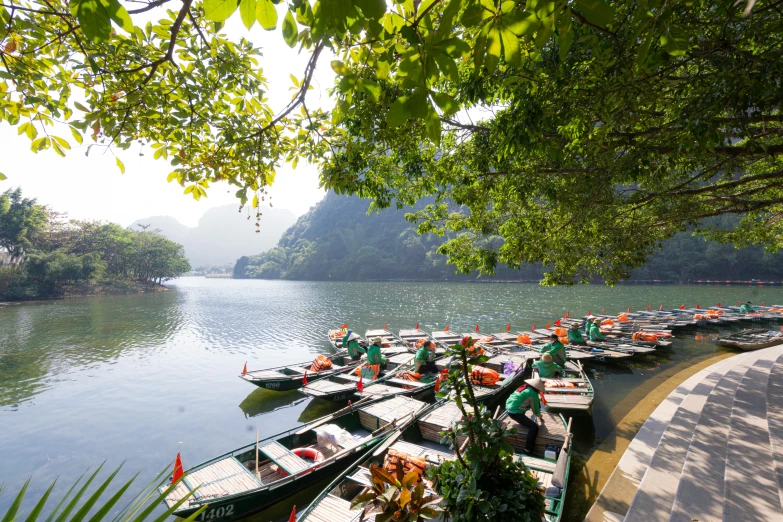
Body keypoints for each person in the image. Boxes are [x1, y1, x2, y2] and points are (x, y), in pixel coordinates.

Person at [505, 377, 545, 455]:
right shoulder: (533, 393)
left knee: (525, 413)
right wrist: (540, 416)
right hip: (515, 412)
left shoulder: (523, 387)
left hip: (508, 408)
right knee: (534, 427)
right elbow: (536, 411)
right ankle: (528, 450)